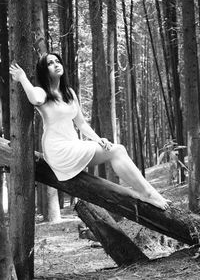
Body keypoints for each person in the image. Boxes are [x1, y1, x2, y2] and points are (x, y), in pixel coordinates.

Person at [9, 52, 171, 210]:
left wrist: (98, 139)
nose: (56, 65)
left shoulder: (69, 93)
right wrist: (22, 78)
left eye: (57, 61)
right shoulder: (43, 92)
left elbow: (81, 123)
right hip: (57, 149)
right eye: (50, 63)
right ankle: (147, 194)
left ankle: (146, 193)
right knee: (116, 151)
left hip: (73, 144)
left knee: (116, 149)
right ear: (44, 71)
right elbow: (35, 99)